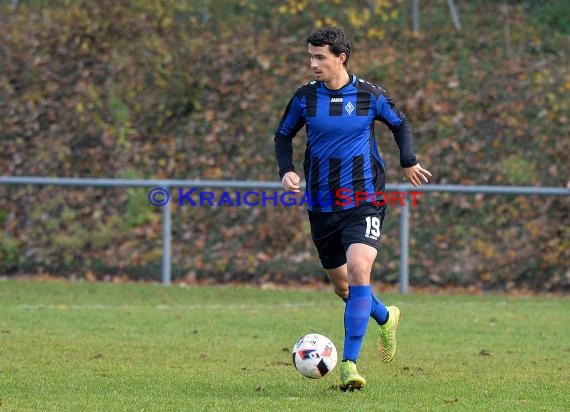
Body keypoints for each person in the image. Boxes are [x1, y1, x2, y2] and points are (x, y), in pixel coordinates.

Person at [274, 26, 431, 391]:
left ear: (340, 58)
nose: (312, 64)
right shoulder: (303, 99)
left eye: (319, 57)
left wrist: (408, 160)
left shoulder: (369, 95)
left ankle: (348, 364)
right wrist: (287, 170)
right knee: (344, 288)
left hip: (364, 199)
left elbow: (400, 123)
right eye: (310, 57)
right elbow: (283, 136)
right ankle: (385, 315)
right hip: (322, 204)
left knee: (360, 271)